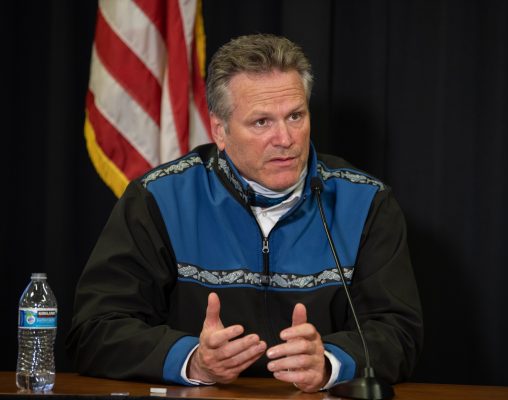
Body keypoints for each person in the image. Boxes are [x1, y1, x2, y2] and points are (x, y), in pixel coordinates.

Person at [66, 33, 423, 393]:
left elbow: (399, 333)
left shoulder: (365, 202)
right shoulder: (159, 198)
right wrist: (192, 359)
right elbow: (95, 328)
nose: (285, 138)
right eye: (261, 122)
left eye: (295, 116)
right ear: (220, 131)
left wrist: (331, 361)